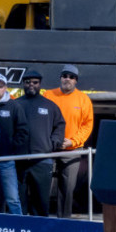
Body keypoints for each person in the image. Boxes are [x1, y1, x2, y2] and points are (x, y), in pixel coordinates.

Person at [44, 64, 93, 218]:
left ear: (76, 81)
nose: (67, 79)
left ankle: (64, 220)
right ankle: (40, 219)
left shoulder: (84, 99)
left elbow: (87, 125)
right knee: (42, 185)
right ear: (60, 78)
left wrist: (73, 141)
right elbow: (41, 121)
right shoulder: (48, 95)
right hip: (48, 148)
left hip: (72, 149)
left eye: (71, 77)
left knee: (67, 188)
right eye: (65, 76)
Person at [16, 69, 65, 216]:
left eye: (35, 82)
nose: (31, 85)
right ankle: (20, 231)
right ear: (23, 84)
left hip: (42, 161)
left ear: (40, 84)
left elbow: (60, 125)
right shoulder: (15, 104)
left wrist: (54, 142)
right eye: (27, 82)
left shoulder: (50, 105)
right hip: (19, 162)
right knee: (19, 202)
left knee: (41, 203)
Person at [0, 74, 27, 215]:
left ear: (5, 88)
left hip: (6, 160)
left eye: (0, 86)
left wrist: (11, 148)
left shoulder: (14, 106)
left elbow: (23, 131)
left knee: (12, 198)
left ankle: (20, 228)